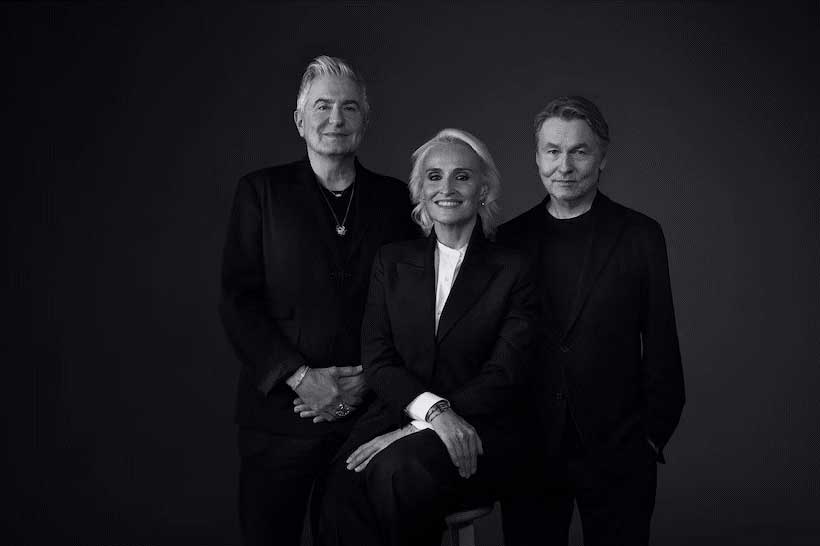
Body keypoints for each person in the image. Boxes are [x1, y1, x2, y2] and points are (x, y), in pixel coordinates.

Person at [219, 55, 416, 546]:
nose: (336, 119)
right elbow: (238, 300)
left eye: (349, 108)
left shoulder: (395, 200)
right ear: (299, 119)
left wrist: (371, 377)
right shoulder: (261, 192)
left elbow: (412, 304)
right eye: (323, 106)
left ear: (365, 121)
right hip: (280, 417)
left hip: (367, 417)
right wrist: (300, 377)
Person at [311, 129, 538, 546]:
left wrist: (429, 426)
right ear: (420, 189)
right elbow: (377, 359)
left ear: (483, 188)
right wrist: (432, 416)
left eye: (461, 177)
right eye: (434, 177)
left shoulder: (514, 269)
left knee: (397, 471)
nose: (446, 188)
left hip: (480, 431)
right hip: (398, 417)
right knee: (340, 483)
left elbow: (505, 374)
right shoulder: (392, 261)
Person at [498, 96, 685, 545]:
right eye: (552, 151)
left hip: (620, 447)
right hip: (531, 448)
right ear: (537, 157)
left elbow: (661, 341)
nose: (564, 165)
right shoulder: (508, 241)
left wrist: (652, 436)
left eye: (579, 151)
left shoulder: (640, 235)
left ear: (602, 157)